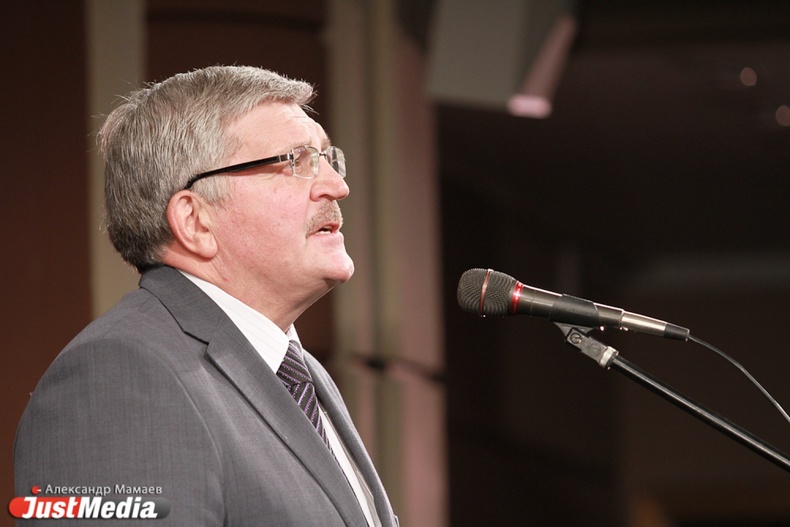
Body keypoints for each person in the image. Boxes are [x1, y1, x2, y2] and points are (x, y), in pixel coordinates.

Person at [14, 65, 398, 526]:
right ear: (195, 222)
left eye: (328, 157)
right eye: (296, 161)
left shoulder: (299, 373)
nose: (338, 186)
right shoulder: (119, 376)